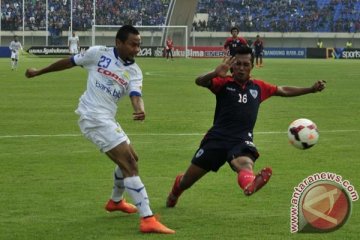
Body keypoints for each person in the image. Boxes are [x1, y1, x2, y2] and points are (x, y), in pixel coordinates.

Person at [25, 25, 175, 234]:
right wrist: (38, 72)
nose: (136, 49)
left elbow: (135, 94)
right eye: (133, 44)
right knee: (129, 164)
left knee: (132, 158)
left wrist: (140, 109)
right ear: (119, 43)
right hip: (92, 116)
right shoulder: (97, 53)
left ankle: (115, 202)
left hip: (107, 118)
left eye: (139, 45)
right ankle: (148, 219)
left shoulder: (134, 70)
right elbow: (69, 62)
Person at [166, 46, 326, 209]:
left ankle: (250, 184)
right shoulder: (223, 82)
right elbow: (199, 81)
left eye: (245, 65)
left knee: (244, 164)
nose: (241, 68)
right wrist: (214, 73)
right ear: (232, 65)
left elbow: (283, 90)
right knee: (187, 181)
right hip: (216, 139)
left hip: (242, 139)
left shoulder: (258, 87)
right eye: (238, 64)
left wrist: (311, 89)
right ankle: (175, 193)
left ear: (252, 66)